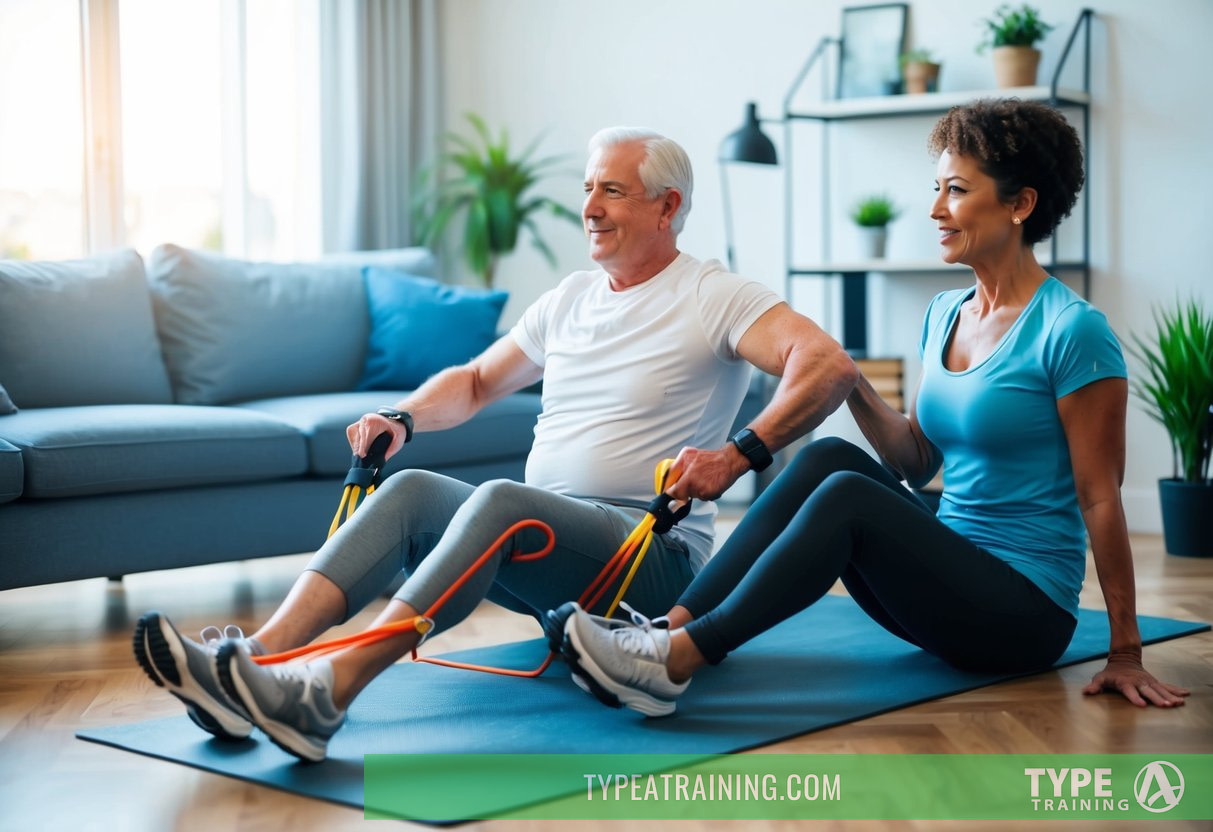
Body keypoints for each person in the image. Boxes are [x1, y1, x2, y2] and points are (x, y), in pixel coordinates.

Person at [132, 126, 858, 761]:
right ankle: (255, 665)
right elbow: (478, 380)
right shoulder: (571, 296)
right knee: (412, 488)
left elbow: (824, 364)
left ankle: (328, 691)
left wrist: (735, 456)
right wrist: (403, 418)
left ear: (667, 207)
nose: (589, 208)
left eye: (612, 190)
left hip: (651, 561)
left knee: (503, 499)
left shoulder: (712, 294)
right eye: (586, 189)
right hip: (554, 547)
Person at [552, 99, 1190, 718]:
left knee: (849, 499)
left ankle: (675, 662)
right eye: (937, 188)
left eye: (958, 191)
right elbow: (914, 461)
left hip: (1023, 615)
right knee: (829, 457)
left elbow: (1101, 496)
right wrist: (850, 380)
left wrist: (1127, 651)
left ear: (1021, 204)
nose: (936, 209)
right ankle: (668, 631)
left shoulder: (1072, 331)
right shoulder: (946, 315)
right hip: (946, 577)